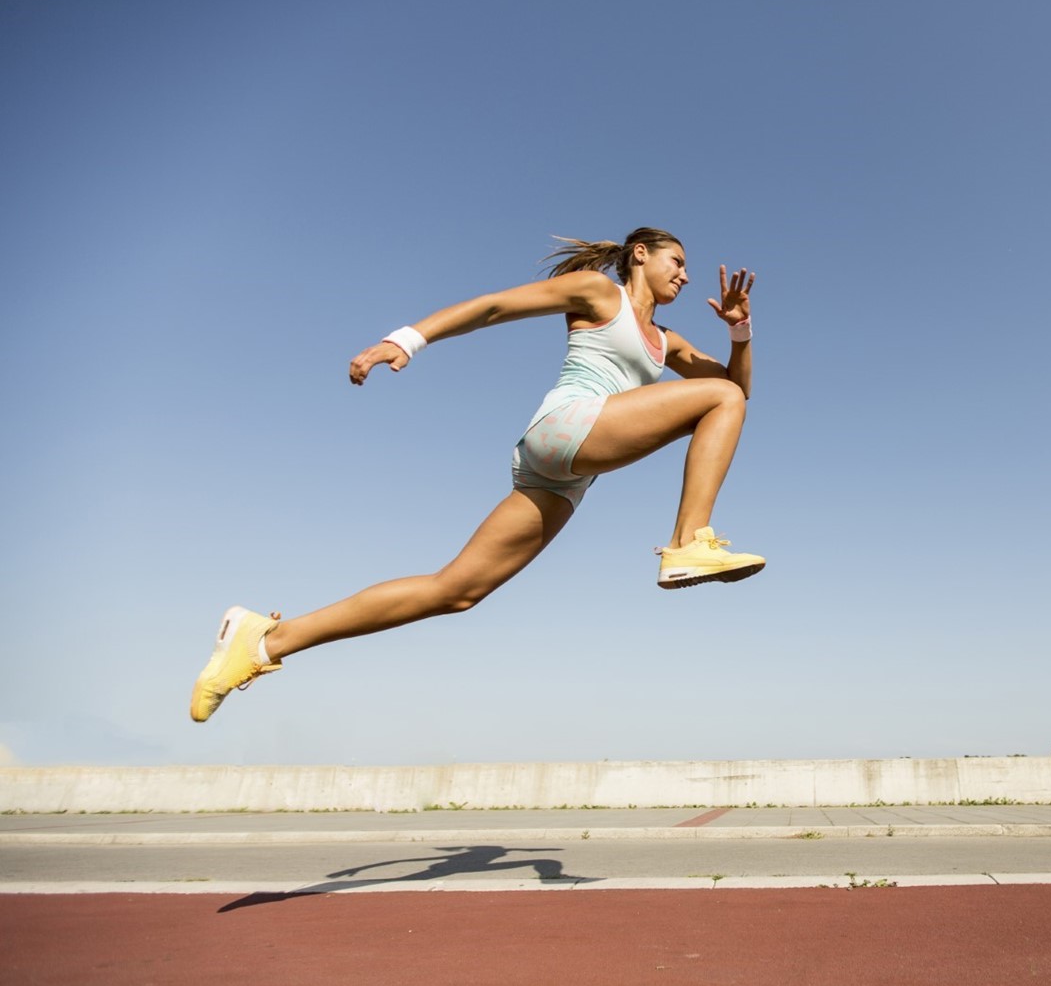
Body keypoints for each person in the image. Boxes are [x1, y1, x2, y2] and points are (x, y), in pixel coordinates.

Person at [190, 228, 763, 722]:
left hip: (566, 474)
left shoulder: (668, 343)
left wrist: (739, 332)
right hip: (567, 426)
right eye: (678, 262)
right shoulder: (598, 292)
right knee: (715, 399)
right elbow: (494, 306)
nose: (685, 277)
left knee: (457, 591)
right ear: (640, 254)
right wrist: (407, 338)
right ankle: (689, 542)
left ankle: (265, 641)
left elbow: (737, 392)